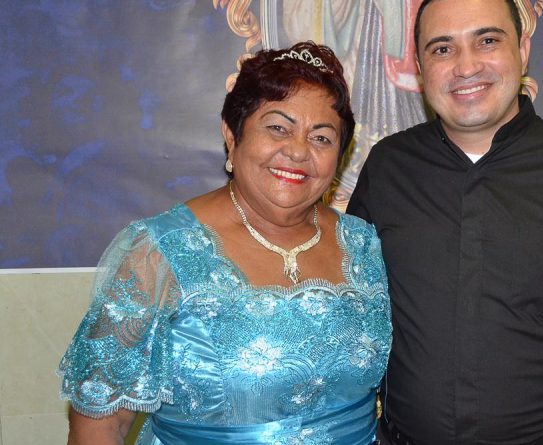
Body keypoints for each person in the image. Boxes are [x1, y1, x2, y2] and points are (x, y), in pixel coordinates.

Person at [347, 0, 543, 443]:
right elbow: (351, 310)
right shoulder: (387, 168)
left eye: (487, 41)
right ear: (419, 68)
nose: (466, 66)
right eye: (442, 49)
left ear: (523, 49)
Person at [59, 41, 393, 445]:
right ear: (232, 135)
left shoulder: (362, 244)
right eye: (278, 128)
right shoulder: (160, 251)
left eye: (321, 137)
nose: (297, 151)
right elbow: (100, 421)